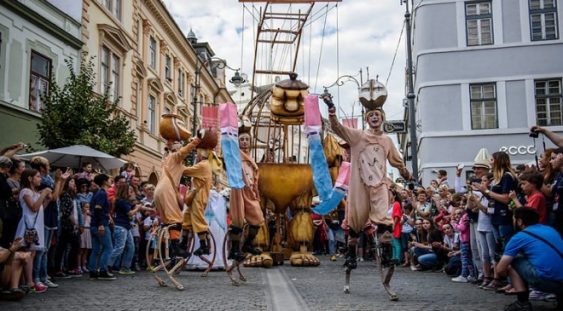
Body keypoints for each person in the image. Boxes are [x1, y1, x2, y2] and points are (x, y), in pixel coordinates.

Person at [323, 92, 411, 300]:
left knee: (385, 226)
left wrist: (407, 174)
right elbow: (338, 129)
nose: (374, 117)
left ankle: (388, 259)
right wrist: (332, 110)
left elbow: (397, 162)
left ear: (382, 117)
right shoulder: (358, 136)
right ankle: (351, 257)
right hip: (359, 187)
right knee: (354, 230)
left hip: (379, 187)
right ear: (366, 118)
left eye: (377, 114)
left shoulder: (387, 140)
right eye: (370, 114)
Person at [496, 207, 563, 311]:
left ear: (519, 221)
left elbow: (500, 269)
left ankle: (522, 303)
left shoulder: (519, 237)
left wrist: (505, 273)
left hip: (547, 281)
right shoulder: (550, 229)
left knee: (513, 260)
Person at [153, 138, 200, 258]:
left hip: (159, 190)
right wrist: (196, 141)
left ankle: (173, 246)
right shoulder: (174, 157)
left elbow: (190, 171)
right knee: (177, 219)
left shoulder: (172, 161)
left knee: (168, 220)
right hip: (167, 189)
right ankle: (175, 249)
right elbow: (183, 152)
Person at [228, 126, 265, 262]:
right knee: (237, 220)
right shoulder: (236, 153)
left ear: (250, 142)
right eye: (241, 139)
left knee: (258, 218)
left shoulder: (250, 157)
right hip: (239, 189)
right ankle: (234, 250)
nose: (244, 142)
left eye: (246, 139)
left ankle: (247, 244)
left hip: (249, 192)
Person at [14, 169, 51, 293]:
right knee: (28, 254)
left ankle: (27, 282)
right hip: (27, 226)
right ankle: (30, 283)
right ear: (30, 178)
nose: (40, 179)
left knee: (32, 254)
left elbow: (40, 208)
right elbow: (34, 208)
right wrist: (43, 193)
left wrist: (46, 199)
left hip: (35, 227)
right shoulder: (25, 191)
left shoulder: (35, 192)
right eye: (38, 176)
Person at [87, 174, 115, 280]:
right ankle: (103, 270)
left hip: (94, 224)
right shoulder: (102, 193)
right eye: (109, 179)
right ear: (104, 181)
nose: (110, 181)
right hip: (100, 225)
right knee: (108, 247)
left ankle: (93, 271)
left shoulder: (97, 193)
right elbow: (98, 209)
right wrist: (101, 224)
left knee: (96, 249)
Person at [109, 184, 141, 275]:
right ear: (125, 191)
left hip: (126, 227)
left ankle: (125, 267)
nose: (131, 192)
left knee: (131, 247)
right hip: (121, 226)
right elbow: (130, 213)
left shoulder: (124, 201)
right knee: (119, 248)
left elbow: (136, 206)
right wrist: (138, 208)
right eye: (130, 190)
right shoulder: (122, 201)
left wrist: (149, 209)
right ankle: (106, 265)